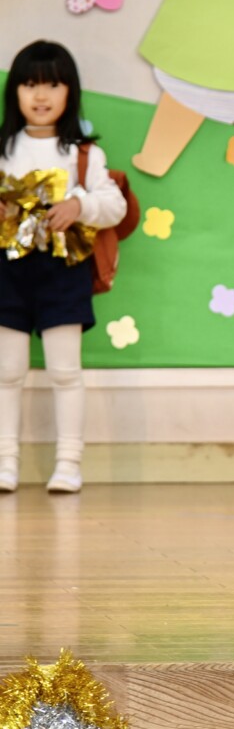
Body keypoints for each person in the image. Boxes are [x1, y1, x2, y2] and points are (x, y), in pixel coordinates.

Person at [0, 40, 127, 493]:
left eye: (53, 84)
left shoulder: (83, 154)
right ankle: (5, 462)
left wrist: (79, 205)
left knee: (65, 371)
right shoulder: (4, 148)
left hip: (63, 272)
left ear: (70, 91)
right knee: (6, 372)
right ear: (14, 92)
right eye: (30, 84)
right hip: (8, 273)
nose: (41, 95)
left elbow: (114, 206)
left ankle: (69, 463)